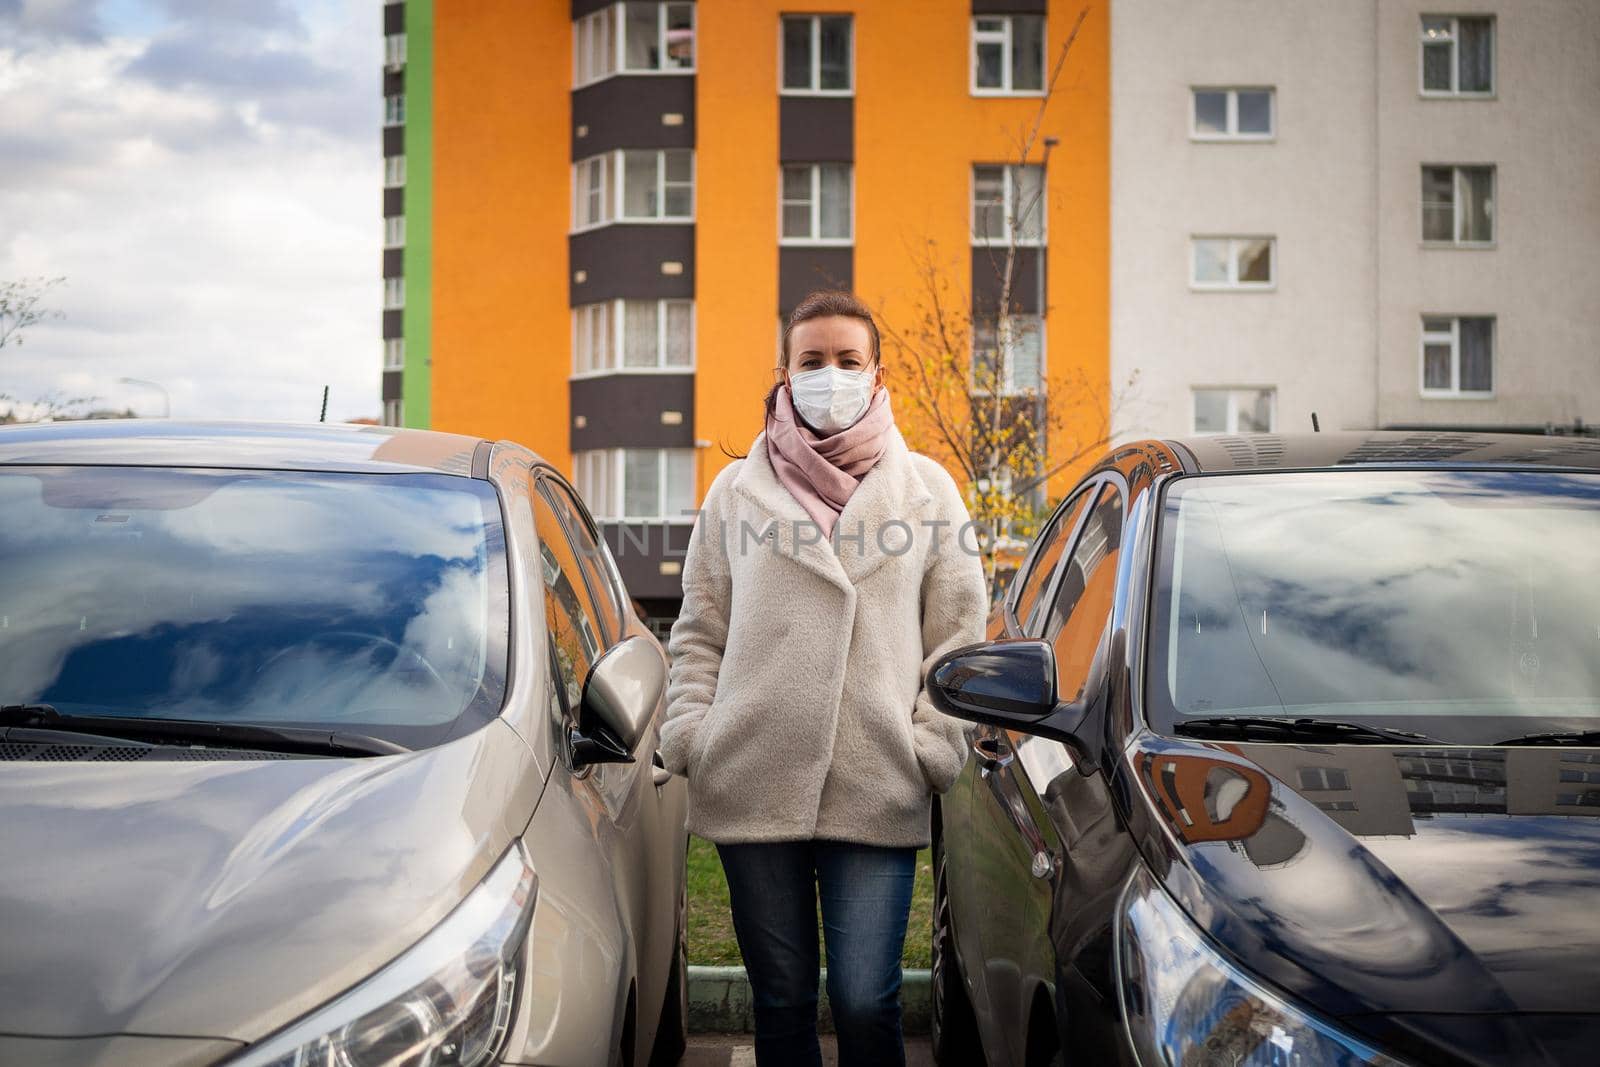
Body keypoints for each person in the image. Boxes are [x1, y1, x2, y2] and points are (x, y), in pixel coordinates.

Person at [658, 289, 988, 1067]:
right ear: (784, 371)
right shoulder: (733, 491)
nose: (829, 374)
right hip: (752, 773)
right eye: (812, 361)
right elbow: (700, 626)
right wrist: (693, 730)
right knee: (780, 998)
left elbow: (959, 634)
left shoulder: (930, 492)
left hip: (879, 774)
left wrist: (934, 742)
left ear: (877, 374)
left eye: (847, 360)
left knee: (867, 998)